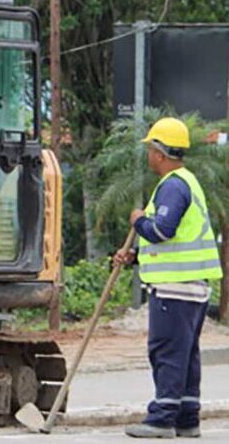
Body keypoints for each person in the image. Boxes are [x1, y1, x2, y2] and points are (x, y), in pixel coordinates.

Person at [114, 117, 223, 439]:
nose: (148, 155)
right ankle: (187, 418)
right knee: (185, 354)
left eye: (150, 149)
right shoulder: (186, 182)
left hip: (176, 289)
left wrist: (138, 220)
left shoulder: (173, 185)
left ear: (160, 153)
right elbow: (171, 243)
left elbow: (162, 231)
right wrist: (135, 256)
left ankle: (161, 419)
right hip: (191, 286)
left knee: (167, 352)